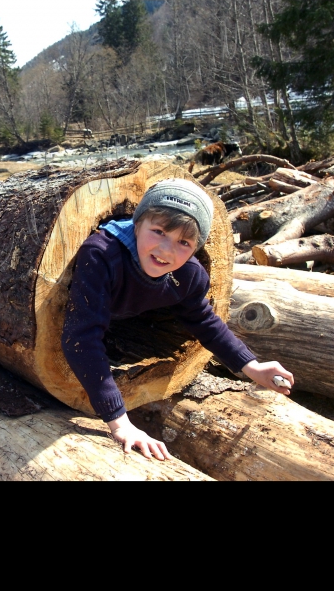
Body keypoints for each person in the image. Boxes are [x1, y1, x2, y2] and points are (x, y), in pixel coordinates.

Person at [61, 178, 295, 461]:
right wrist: (120, 423)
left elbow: (204, 322)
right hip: (79, 313)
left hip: (119, 320)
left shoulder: (189, 276)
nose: (166, 250)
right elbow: (81, 338)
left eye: (183, 242)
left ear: (196, 248)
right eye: (158, 231)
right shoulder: (101, 255)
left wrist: (252, 366)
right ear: (137, 225)